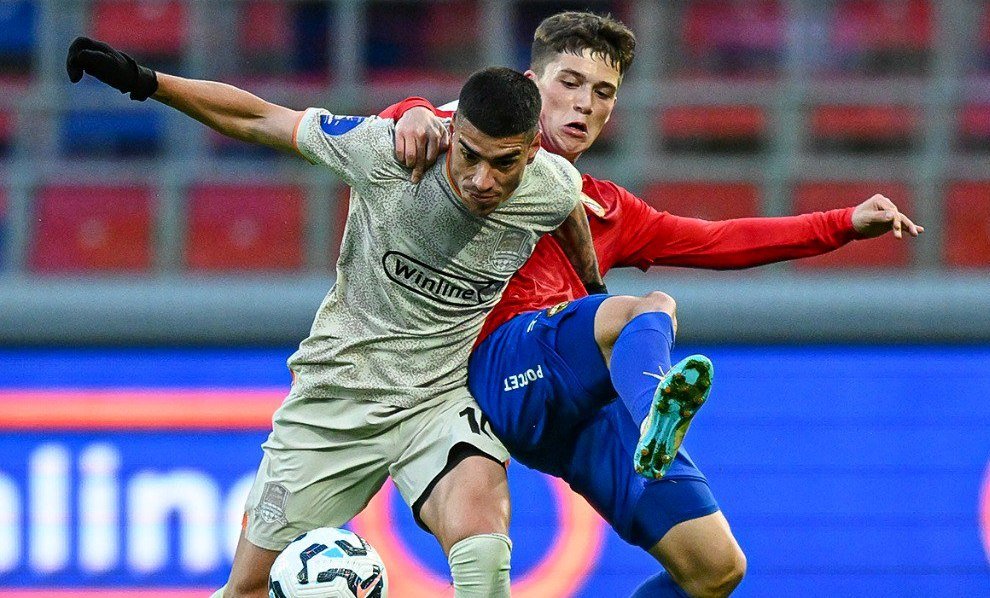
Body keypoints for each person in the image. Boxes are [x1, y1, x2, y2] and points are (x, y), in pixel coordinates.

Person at [382, 10, 924, 598]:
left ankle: (650, 426)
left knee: (715, 568)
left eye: (602, 92)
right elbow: (382, 129)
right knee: (648, 308)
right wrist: (409, 108)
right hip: (499, 368)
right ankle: (653, 416)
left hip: (578, 409)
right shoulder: (476, 153)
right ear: (531, 84)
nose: (584, 104)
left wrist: (844, 222)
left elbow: (721, 240)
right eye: (570, 82)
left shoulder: (608, 208)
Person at [66, 37, 607, 598]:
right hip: (336, 398)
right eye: (469, 155)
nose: (482, 180)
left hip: (437, 400)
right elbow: (260, 118)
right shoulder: (388, 155)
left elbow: (567, 208)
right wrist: (146, 81)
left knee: (484, 553)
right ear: (453, 131)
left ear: (532, 150)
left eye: (504, 163)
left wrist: (592, 288)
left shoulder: (549, 184)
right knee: (247, 589)